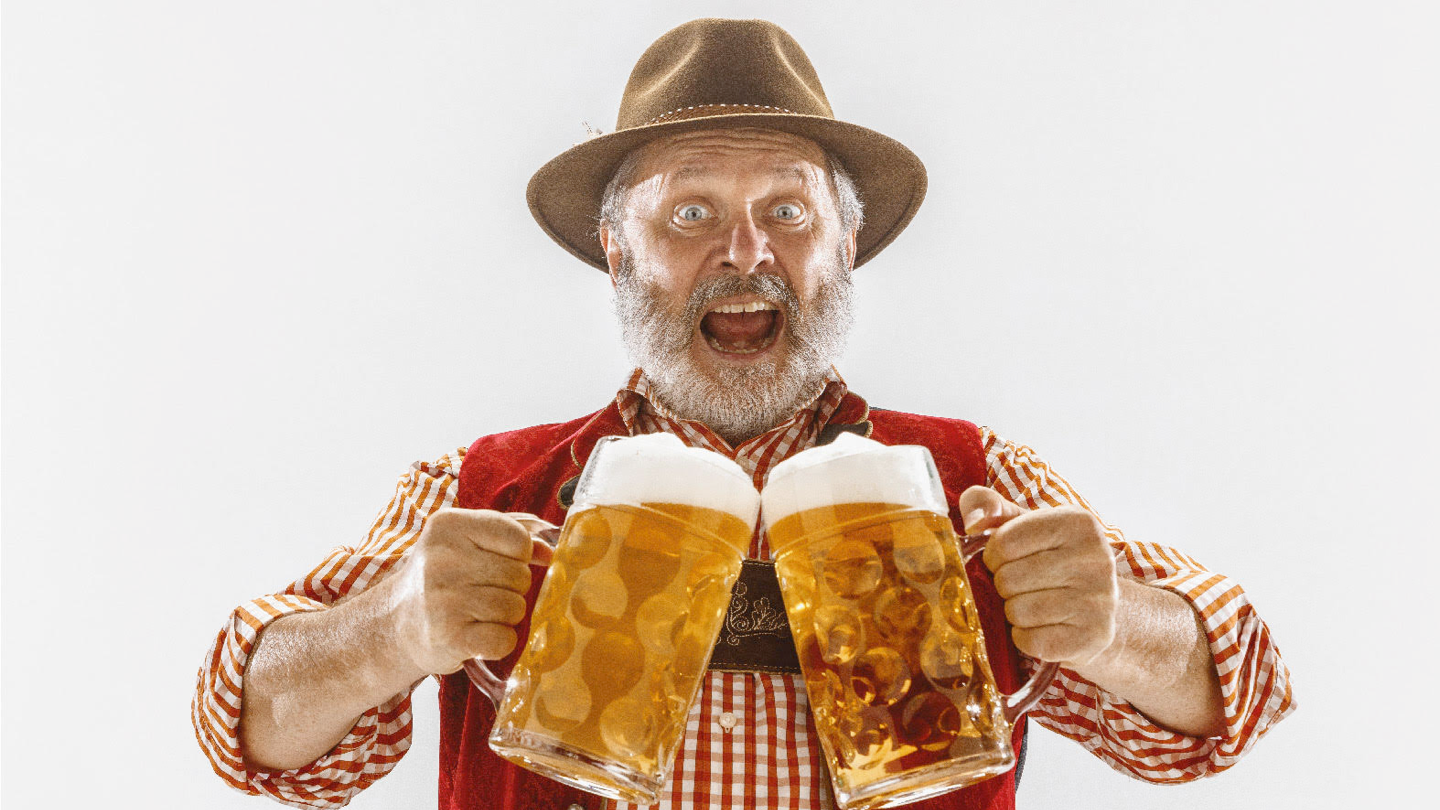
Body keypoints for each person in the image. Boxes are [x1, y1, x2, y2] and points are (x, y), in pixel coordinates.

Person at [192, 18, 1294, 810]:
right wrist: (393, 628)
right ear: (616, 249)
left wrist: (1115, 627)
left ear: (845, 246)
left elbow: (1236, 692)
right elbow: (250, 735)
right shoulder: (483, 489)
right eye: (690, 212)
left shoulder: (971, 482)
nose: (746, 252)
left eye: (784, 208)